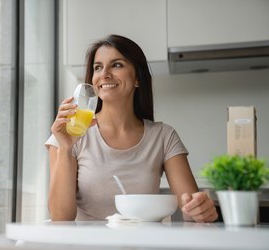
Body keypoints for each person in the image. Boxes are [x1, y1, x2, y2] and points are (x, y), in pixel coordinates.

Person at [45, 34, 218, 222]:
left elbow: (190, 207)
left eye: (117, 64)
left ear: (138, 78)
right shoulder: (69, 134)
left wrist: (200, 209)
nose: (104, 74)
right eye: (98, 67)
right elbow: (60, 218)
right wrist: (65, 148)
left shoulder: (163, 136)